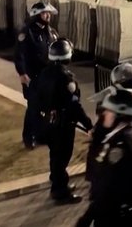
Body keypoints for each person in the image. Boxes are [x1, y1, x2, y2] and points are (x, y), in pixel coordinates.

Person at [78, 87, 132, 227]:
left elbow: (108, 187)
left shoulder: (120, 144)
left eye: (108, 110)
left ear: (119, 114)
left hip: (118, 218)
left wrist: (86, 218)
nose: (105, 114)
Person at [35, 39, 93, 204]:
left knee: (55, 155)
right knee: (62, 157)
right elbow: (74, 105)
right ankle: (60, 192)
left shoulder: (44, 73)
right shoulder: (66, 78)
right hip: (63, 124)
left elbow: (37, 98)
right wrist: (88, 124)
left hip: (48, 122)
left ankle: (58, 182)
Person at [15, 2, 59, 149]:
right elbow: (19, 54)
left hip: (48, 76)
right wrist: (22, 73)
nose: (48, 16)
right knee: (33, 107)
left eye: (48, 13)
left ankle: (41, 135)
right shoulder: (28, 32)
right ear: (37, 15)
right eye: (44, 13)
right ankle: (29, 137)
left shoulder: (50, 31)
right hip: (33, 77)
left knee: (46, 107)